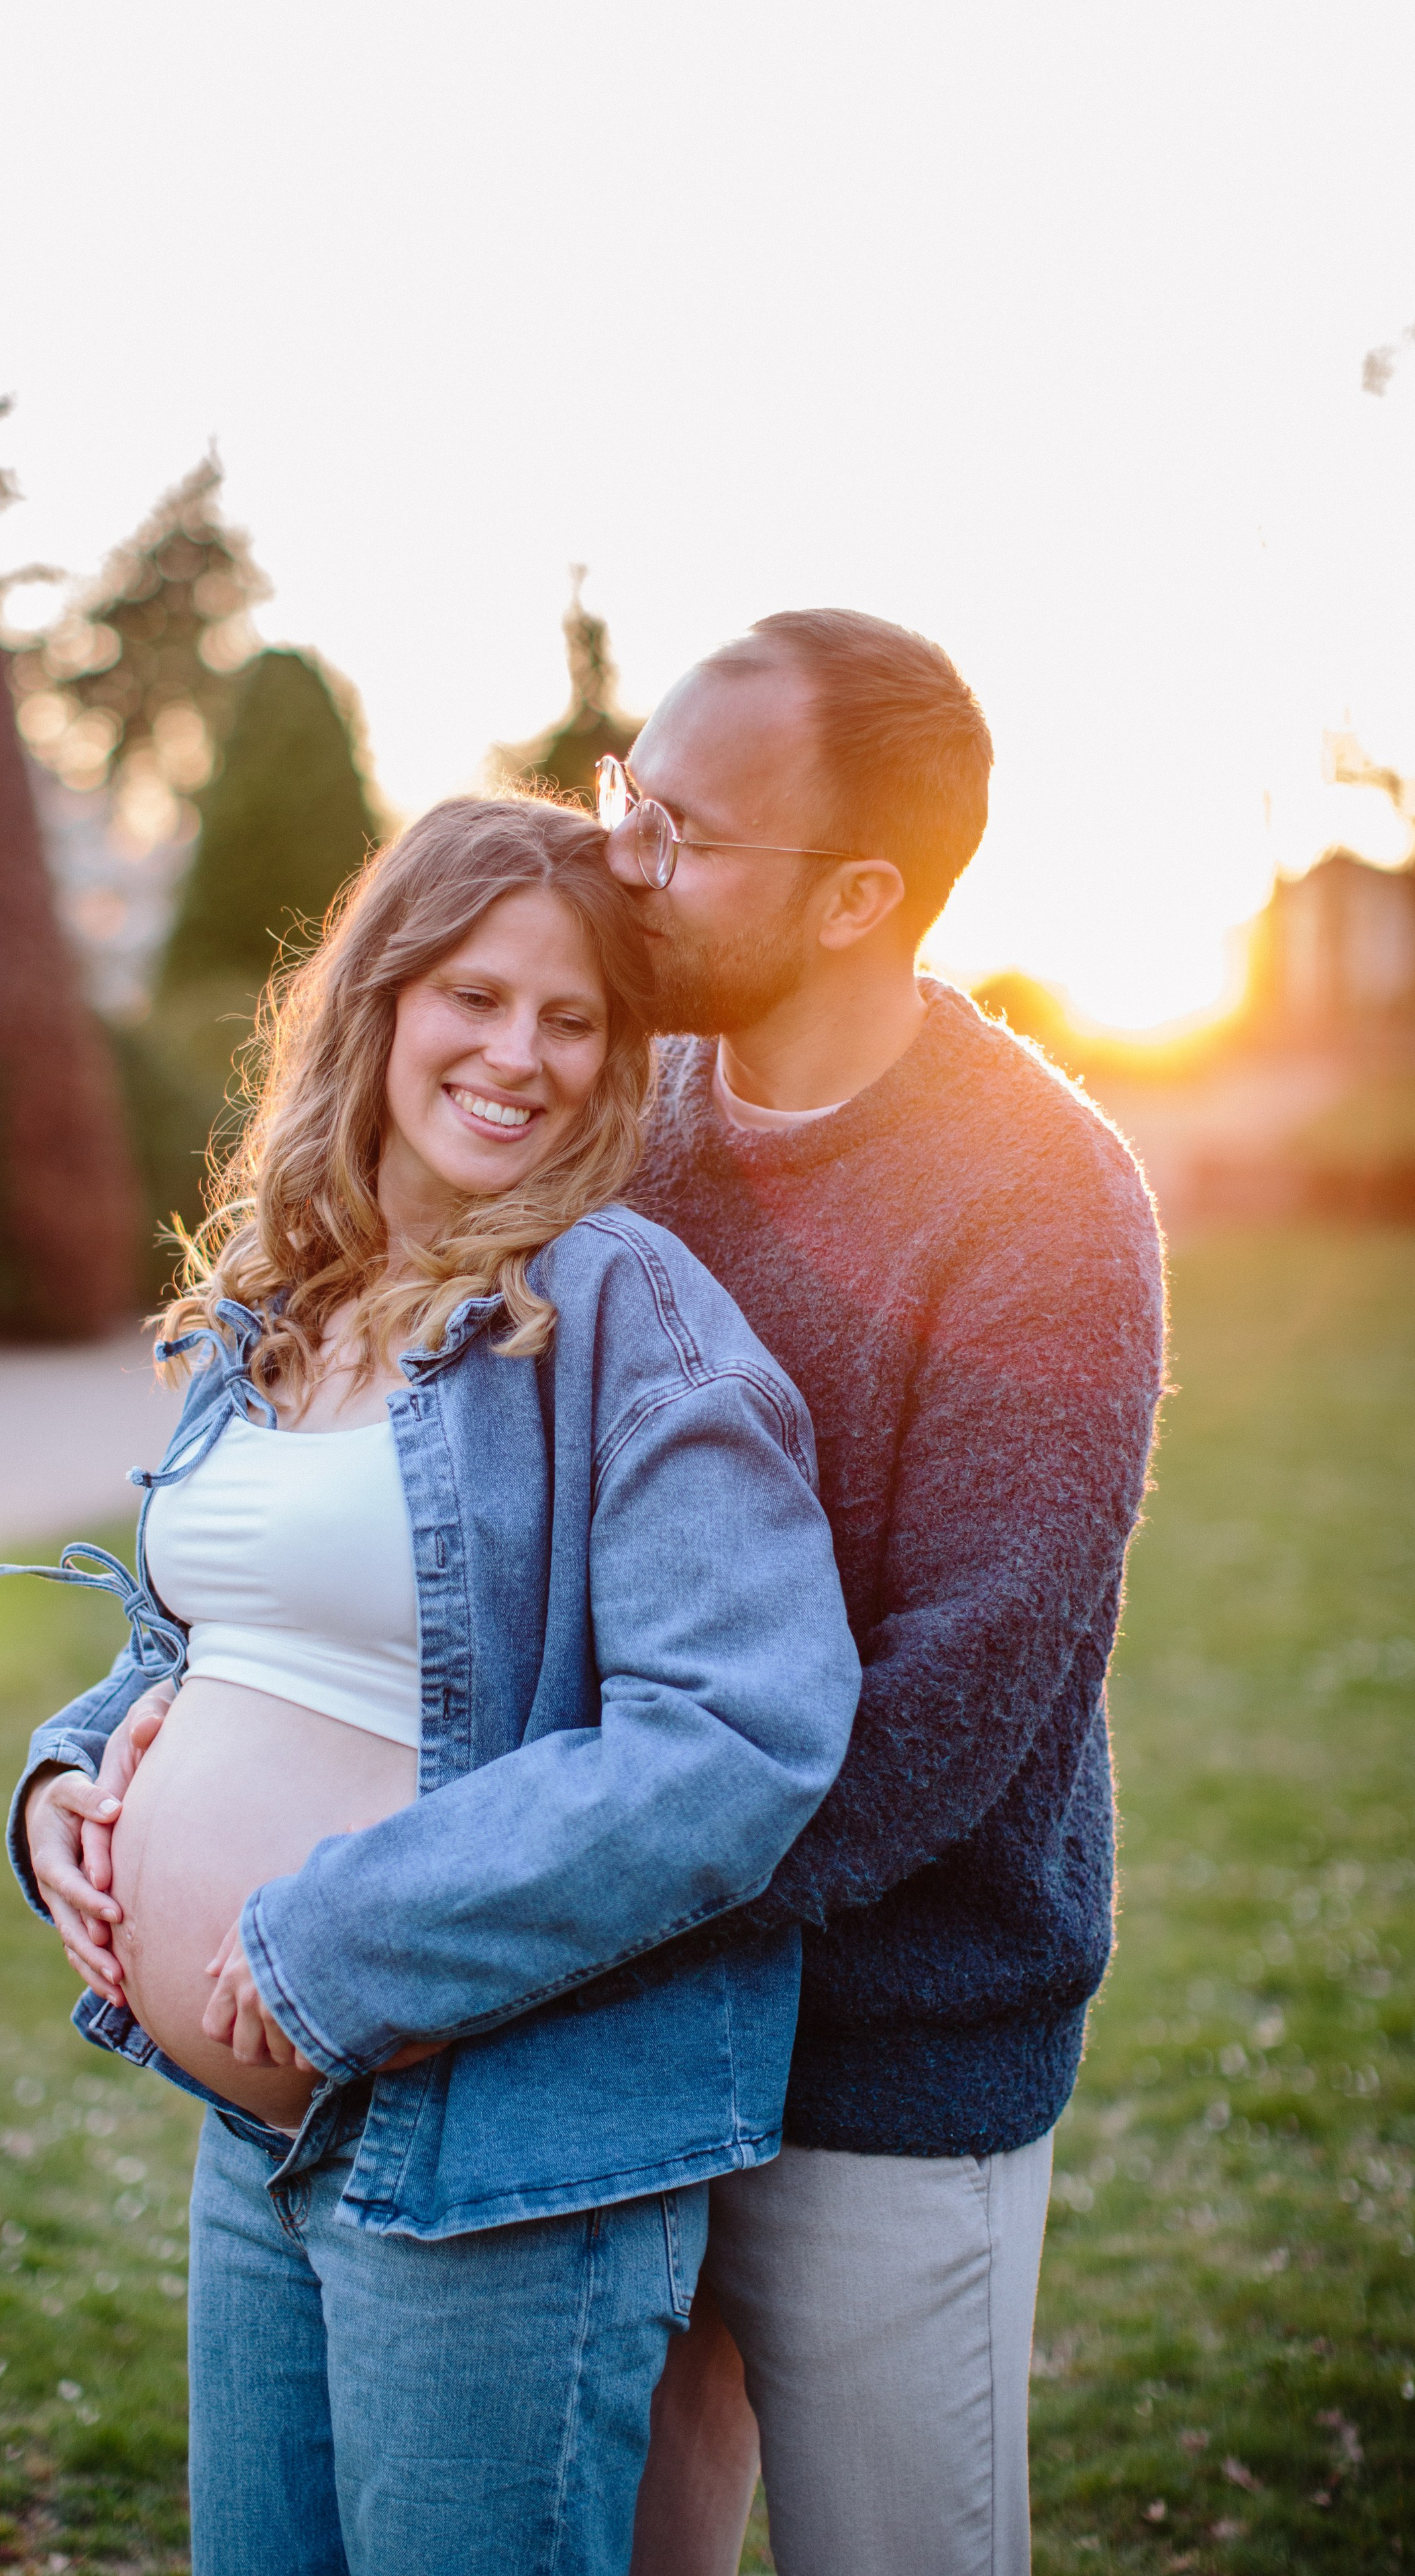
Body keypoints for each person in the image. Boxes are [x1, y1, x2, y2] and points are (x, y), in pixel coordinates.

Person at [0, 794, 860, 2576]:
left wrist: (340, 1941)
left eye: (574, 1017)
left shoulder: (628, 1315)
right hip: (257, 2148)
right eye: (475, 993)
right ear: (380, 998)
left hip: (490, 2157)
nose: (518, 1056)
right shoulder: (283, 1298)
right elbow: (210, 1644)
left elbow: (741, 1738)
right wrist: (69, 1790)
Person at [608, 611, 1166, 2576]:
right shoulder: (610, 1117)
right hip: (613, 2041)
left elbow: (966, 1685)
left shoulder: (1042, 1196)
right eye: (626, 796)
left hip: (895, 2040)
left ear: (860, 895)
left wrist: (585, 1903)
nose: (625, 861)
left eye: (683, 828)